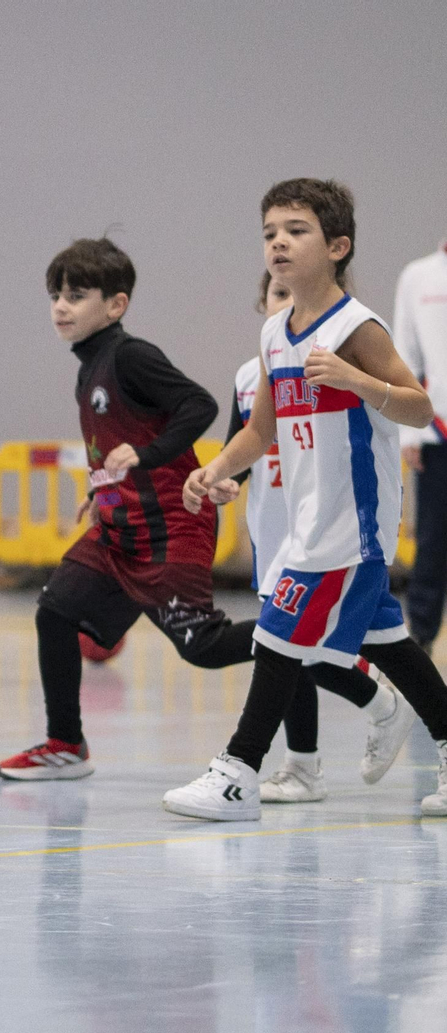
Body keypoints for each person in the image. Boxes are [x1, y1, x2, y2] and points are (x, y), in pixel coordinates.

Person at [0, 238, 388, 782]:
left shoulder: (130, 356)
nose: (61, 307)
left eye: (76, 296)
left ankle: (339, 655)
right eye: (56, 296)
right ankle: (65, 745)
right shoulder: (89, 368)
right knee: (54, 613)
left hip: (170, 526)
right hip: (119, 529)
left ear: (116, 304)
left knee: (204, 647)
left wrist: (148, 456)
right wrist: (102, 488)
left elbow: (198, 404)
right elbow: (118, 444)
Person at [165, 178, 447, 821]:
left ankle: (238, 772)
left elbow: (419, 406)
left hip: (354, 521)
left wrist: (356, 379)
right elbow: (260, 430)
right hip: (307, 519)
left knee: (277, 634)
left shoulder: (357, 327)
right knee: (391, 646)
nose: (279, 243)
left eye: (296, 231)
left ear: (337, 246)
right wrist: (215, 469)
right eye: (270, 233)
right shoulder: (274, 333)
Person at [214, 272, 408, 802]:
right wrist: (222, 477)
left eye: (294, 294)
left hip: (335, 526)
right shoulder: (253, 370)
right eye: (278, 294)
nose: (286, 304)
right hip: (275, 526)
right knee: (318, 648)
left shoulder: (348, 344)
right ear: (262, 302)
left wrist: (357, 381)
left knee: (283, 643)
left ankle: (276, 766)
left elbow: (410, 407)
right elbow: (249, 439)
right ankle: (368, 718)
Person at [394, 237, 447, 653]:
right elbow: (405, 355)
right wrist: (409, 431)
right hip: (436, 431)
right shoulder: (418, 275)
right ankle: (422, 635)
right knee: (432, 539)